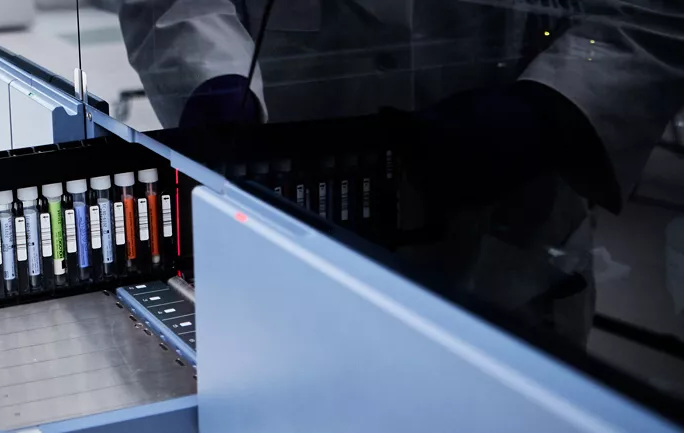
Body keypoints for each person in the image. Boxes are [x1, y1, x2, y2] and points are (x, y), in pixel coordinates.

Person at [117, 0, 684, 343]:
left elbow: (655, 13)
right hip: (296, 207)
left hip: (513, 237)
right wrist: (210, 75)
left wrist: (555, 106)